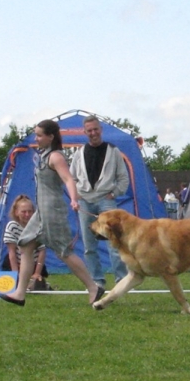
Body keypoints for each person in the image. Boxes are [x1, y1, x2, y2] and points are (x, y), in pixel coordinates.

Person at [0, 119, 104, 307]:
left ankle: (94, 287)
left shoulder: (56, 157)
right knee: (25, 244)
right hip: (41, 212)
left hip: (52, 212)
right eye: (36, 134)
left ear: (50, 137)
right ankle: (20, 293)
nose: (36, 138)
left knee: (64, 251)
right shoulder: (43, 155)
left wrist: (73, 198)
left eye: (39, 135)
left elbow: (68, 180)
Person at [69, 115, 129, 288]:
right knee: (89, 246)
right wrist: (75, 195)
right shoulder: (79, 153)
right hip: (85, 202)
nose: (93, 133)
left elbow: (123, 177)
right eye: (89, 130)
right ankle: (97, 281)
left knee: (114, 244)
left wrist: (115, 193)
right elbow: (71, 178)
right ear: (85, 132)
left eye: (95, 129)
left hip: (106, 201)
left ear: (101, 129)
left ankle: (121, 280)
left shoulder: (113, 151)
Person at [3, 194, 51, 291]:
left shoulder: (38, 226)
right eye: (23, 212)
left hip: (34, 263)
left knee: (37, 283)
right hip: (16, 262)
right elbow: (11, 252)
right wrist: (15, 274)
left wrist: (37, 273)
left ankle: (36, 282)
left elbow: (42, 251)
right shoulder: (12, 226)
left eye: (30, 211)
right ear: (16, 212)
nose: (27, 215)